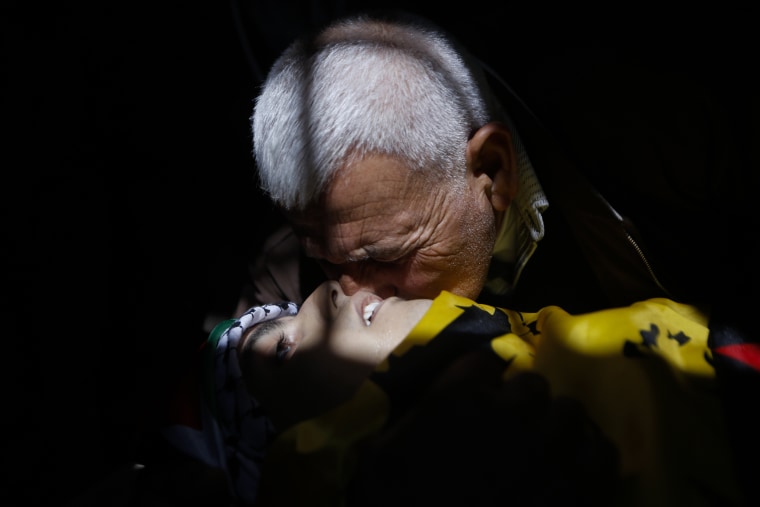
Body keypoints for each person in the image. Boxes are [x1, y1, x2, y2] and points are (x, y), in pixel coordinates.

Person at [145, 280, 748, 506]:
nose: (326, 291)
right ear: (277, 442)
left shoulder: (510, 328)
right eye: (282, 349)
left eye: (285, 314)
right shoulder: (406, 476)